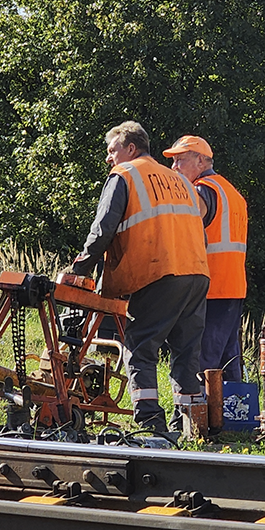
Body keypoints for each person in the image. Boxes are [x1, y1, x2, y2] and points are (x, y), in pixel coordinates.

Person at [71, 121, 209, 433]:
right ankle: (191, 428)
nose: (109, 158)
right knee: (186, 353)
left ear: (131, 149)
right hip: (197, 273)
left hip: (159, 272)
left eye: (112, 150)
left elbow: (102, 229)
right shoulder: (180, 181)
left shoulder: (125, 175)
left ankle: (151, 424)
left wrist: (79, 268)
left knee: (139, 347)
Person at [163, 135, 248, 381]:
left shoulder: (202, 191)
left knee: (200, 362)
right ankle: (232, 417)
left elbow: (186, 223)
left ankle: (194, 417)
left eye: (180, 160)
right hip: (233, 288)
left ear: (201, 161)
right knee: (228, 362)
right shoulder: (232, 193)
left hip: (210, 289)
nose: (174, 167)